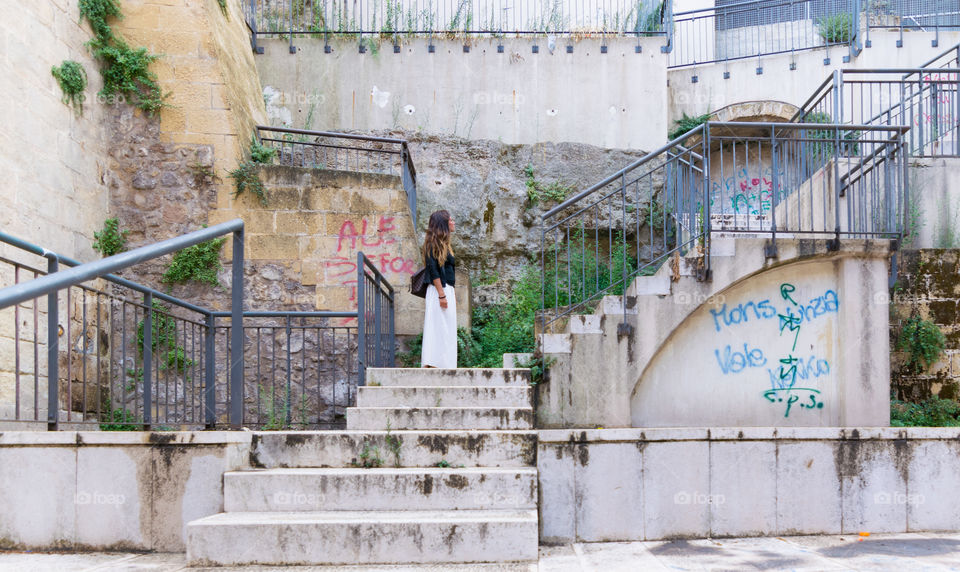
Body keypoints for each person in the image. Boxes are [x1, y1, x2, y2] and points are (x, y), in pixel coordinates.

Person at [421, 210, 457, 368]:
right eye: (451, 220)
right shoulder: (431, 243)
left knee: (447, 328)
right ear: (444, 224)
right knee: (437, 327)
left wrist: (450, 293)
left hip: (446, 289)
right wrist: (442, 295)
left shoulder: (446, 244)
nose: (453, 222)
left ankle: (444, 363)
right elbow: (433, 270)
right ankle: (433, 363)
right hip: (438, 290)